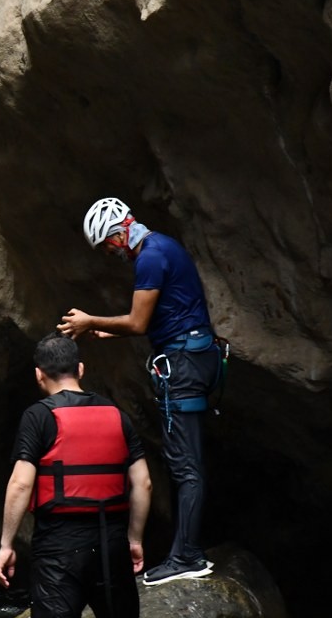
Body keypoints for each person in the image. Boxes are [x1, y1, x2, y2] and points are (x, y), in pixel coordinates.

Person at [59, 196, 222, 585]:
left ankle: (187, 556)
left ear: (118, 234)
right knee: (189, 462)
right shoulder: (164, 246)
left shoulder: (150, 256)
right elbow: (153, 319)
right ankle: (188, 551)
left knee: (185, 465)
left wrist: (88, 321)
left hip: (183, 363)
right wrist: (105, 329)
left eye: (108, 246)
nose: (112, 254)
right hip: (195, 357)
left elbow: (137, 322)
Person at [0, 332, 160, 618]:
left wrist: (7, 545)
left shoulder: (38, 417)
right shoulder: (117, 415)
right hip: (111, 540)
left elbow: (21, 484)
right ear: (81, 369)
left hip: (59, 545)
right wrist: (134, 538)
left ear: (39, 374)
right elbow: (143, 483)